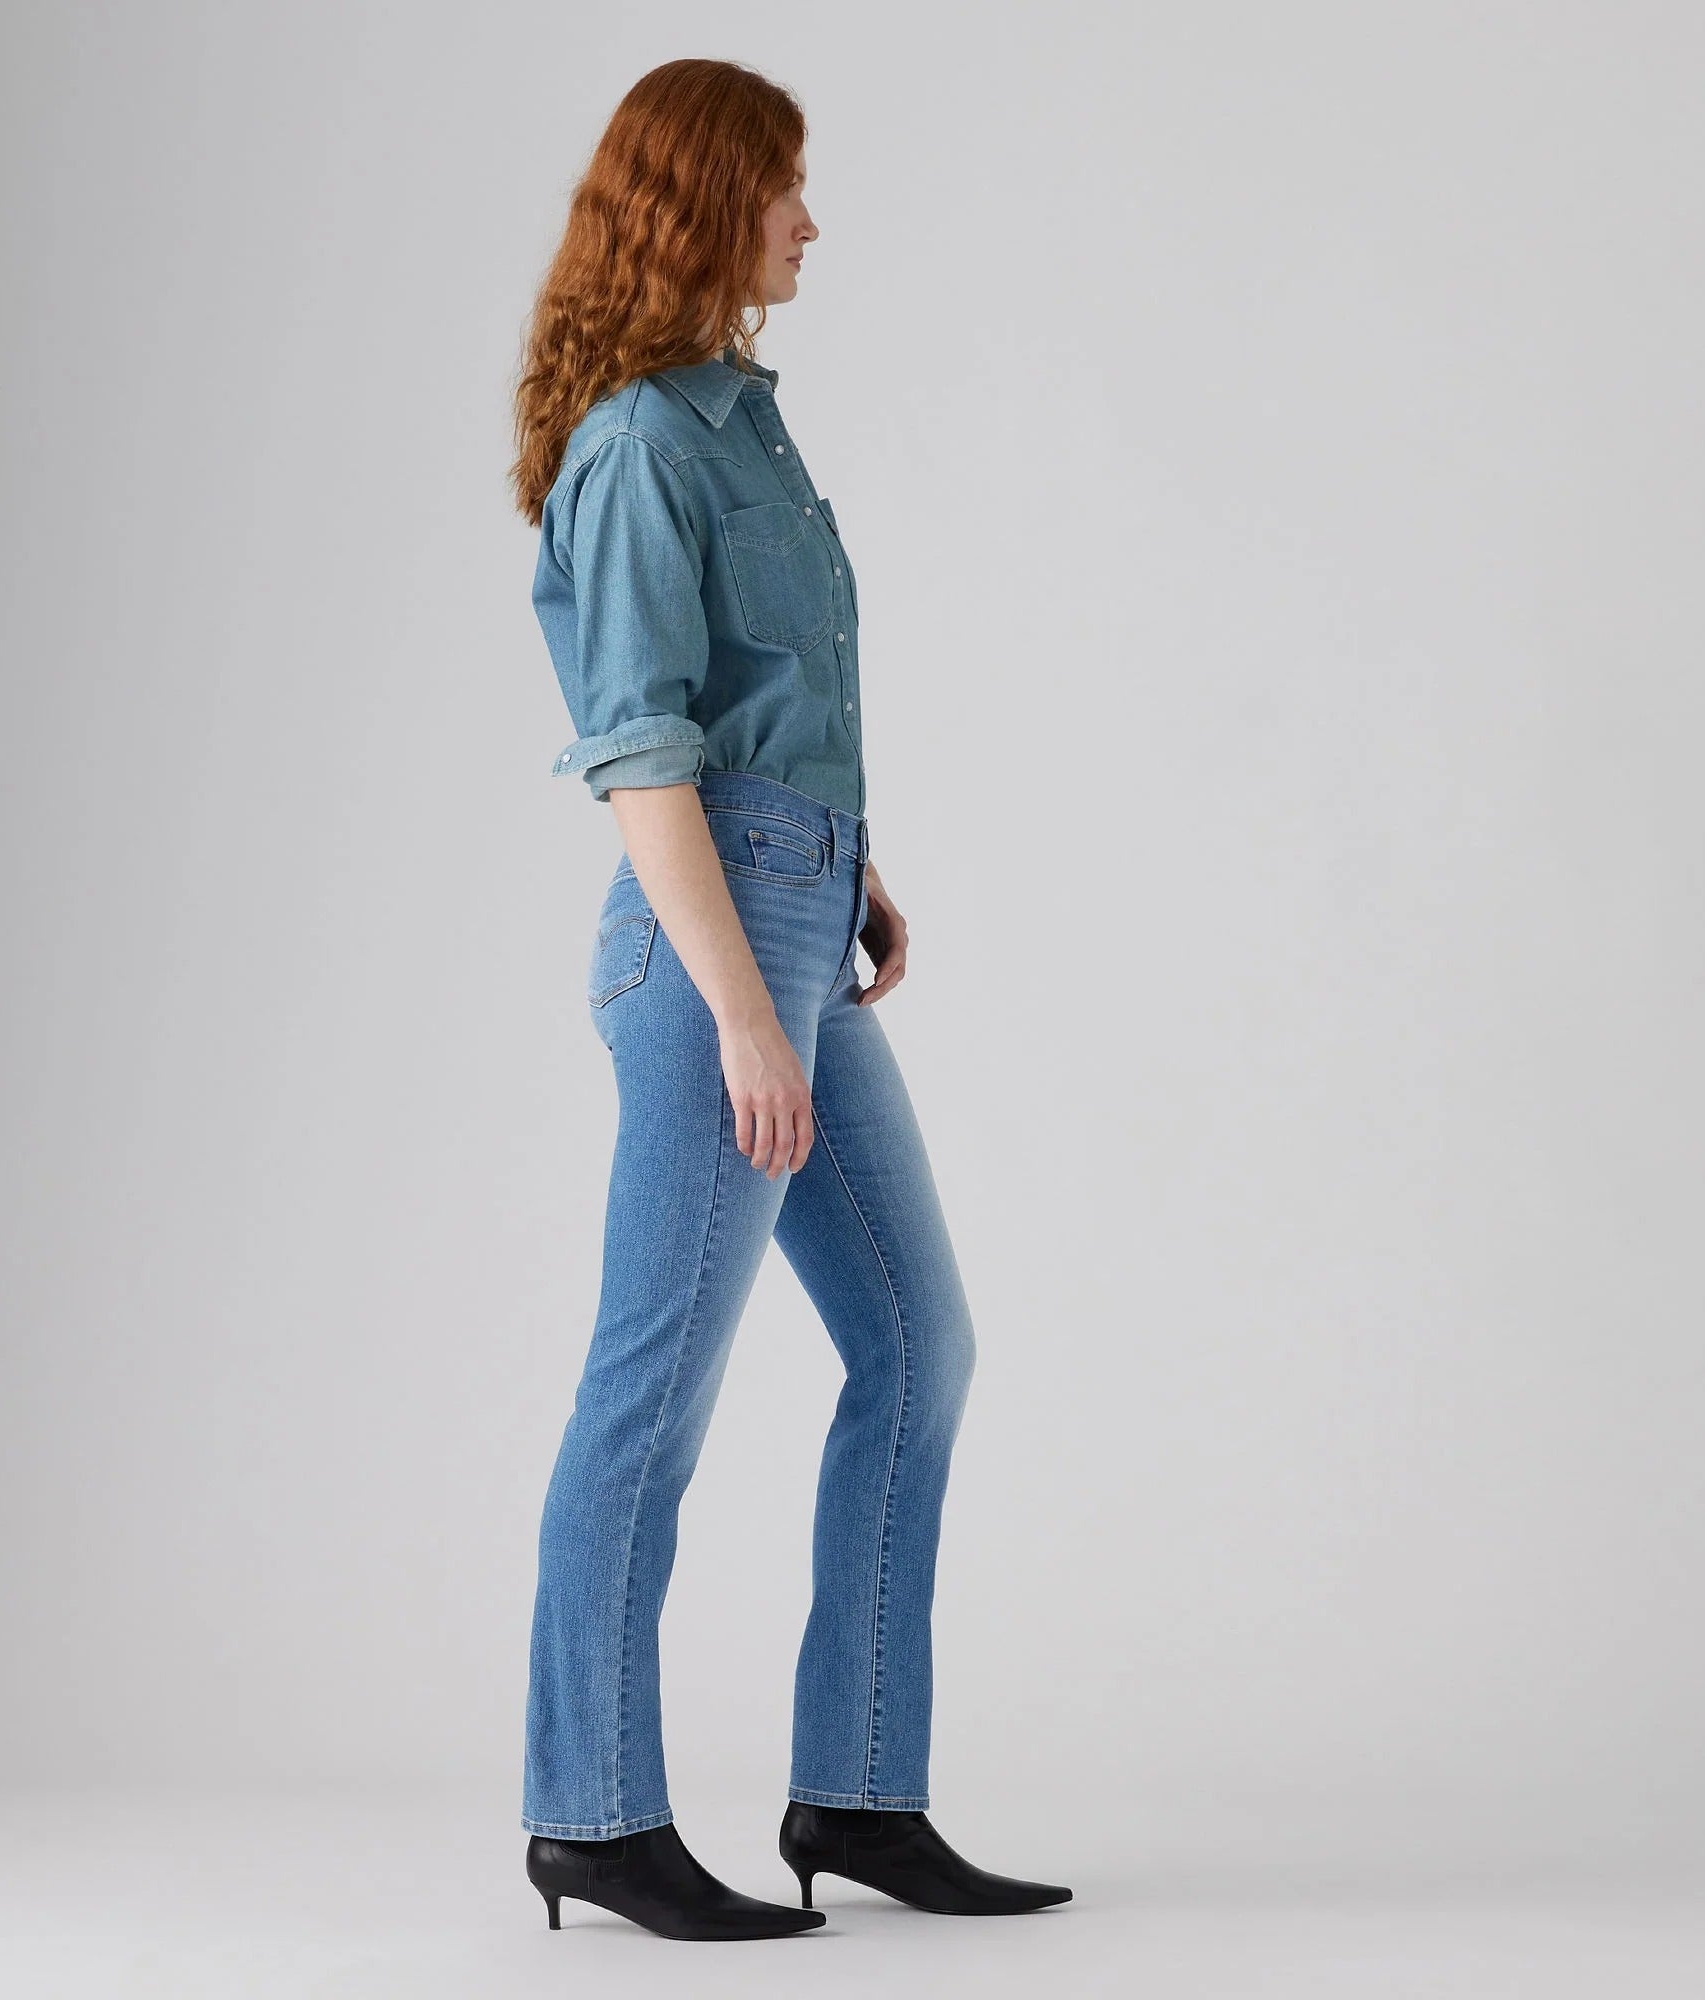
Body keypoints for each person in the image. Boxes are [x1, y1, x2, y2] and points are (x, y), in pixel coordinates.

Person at [506, 58, 1071, 1942]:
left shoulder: (739, 426)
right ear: (703, 204)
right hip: (711, 951)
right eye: (784, 190)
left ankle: (859, 1789)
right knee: (651, 1390)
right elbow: (644, 758)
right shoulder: (636, 451)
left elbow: (768, 716)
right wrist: (748, 1005)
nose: (810, 223)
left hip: (795, 908)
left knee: (918, 1346)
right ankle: (591, 1814)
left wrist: (847, 873)